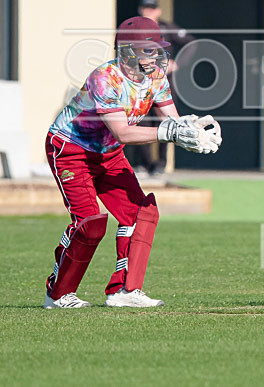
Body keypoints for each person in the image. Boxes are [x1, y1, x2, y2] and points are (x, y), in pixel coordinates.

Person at [43, 16, 222, 309]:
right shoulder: (105, 77)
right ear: (127, 50)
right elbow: (122, 131)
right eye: (149, 50)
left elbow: (172, 120)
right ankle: (58, 293)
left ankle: (125, 291)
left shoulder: (156, 78)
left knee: (142, 213)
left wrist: (193, 130)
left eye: (158, 50)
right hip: (71, 149)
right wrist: (169, 132)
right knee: (89, 222)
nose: (157, 57)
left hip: (108, 152)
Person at [126, 0, 197, 176]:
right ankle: (144, 164)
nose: (149, 12)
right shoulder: (133, 27)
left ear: (158, 11)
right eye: (145, 8)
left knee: (167, 120)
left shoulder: (167, 27)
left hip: (163, 82)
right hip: (140, 81)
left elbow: (191, 43)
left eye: (152, 8)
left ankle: (160, 165)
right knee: (141, 120)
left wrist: (177, 63)